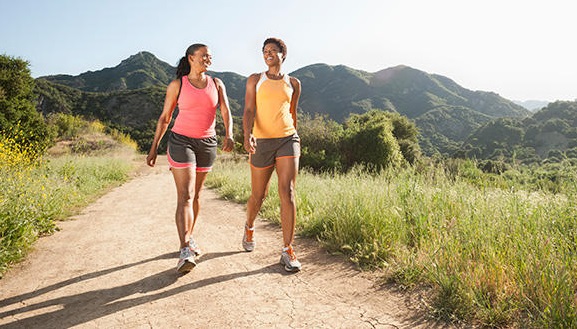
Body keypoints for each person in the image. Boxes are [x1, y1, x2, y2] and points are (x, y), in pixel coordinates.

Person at [146, 43, 234, 273]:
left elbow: (225, 110)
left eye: (210, 56)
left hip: (207, 142)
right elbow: (165, 117)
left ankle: (189, 236)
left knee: (196, 195)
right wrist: (154, 146)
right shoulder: (178, 85)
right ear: (191, 58)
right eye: (204, 56)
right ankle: (185, 249)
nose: (208, 59)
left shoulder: (217, 83)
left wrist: (230, 134)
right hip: (181, 140)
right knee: (185, 195)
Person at [242, 37, 302, 272]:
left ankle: (287, 249)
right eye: (265, 51)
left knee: (287, 191)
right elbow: (248, 110)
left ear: (282, 55)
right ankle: (249, 225)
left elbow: (293, 113)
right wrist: (247, 135)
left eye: (273, 51)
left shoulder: (294, 83)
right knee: (258, 195)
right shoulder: (255, 80)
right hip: (261, 141)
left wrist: (296, 137)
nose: (268, 54)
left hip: (288, 138)